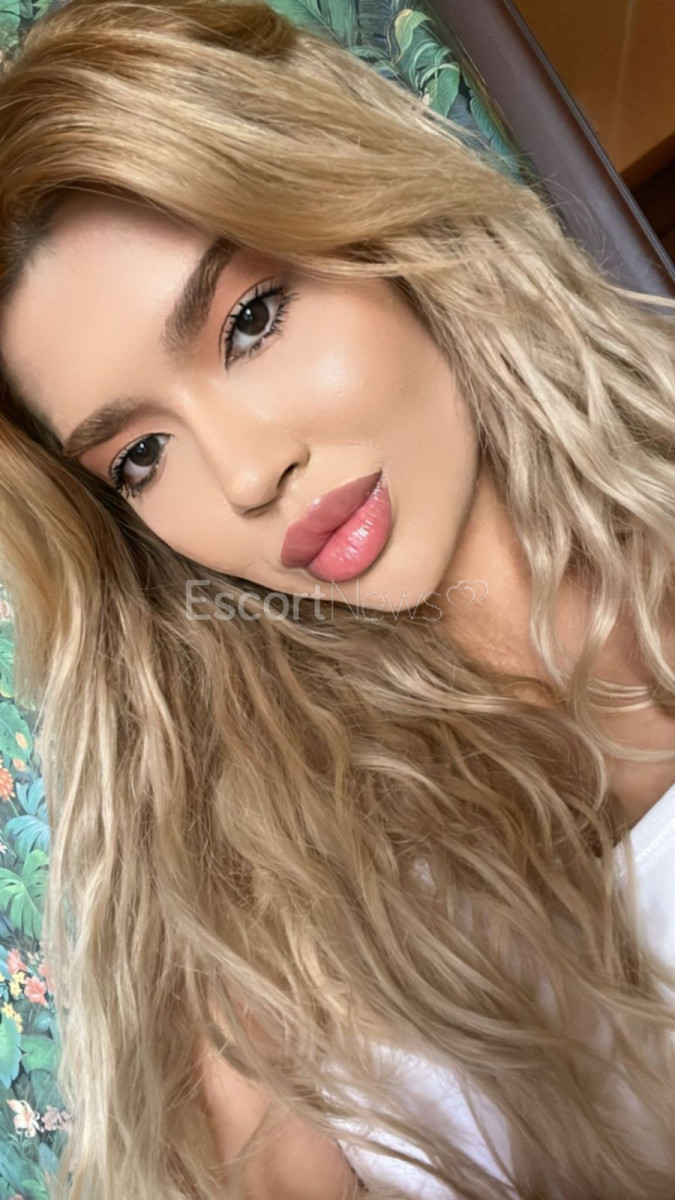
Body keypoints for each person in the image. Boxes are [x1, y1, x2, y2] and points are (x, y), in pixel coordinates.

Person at [0, 0, 674, 1197]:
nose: (247, 475)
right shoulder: (248, 927)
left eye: (250, 320)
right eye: (139, 457)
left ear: (369, 207)